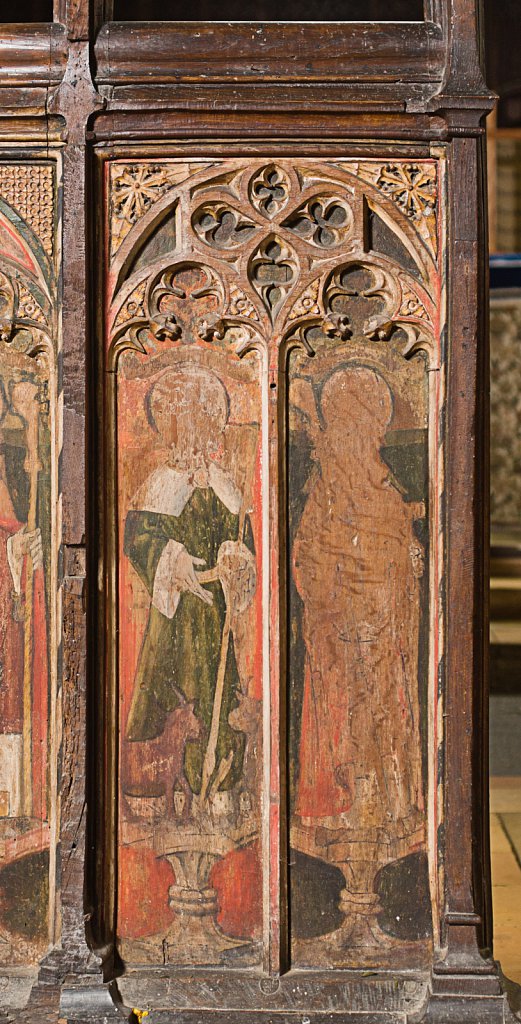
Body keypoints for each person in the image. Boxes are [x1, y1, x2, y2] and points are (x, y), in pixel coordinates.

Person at [292, 365, 425, 844]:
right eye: (339, 428)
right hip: (335, 630)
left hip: (378, 633)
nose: (340, 441)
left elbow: (401, 563)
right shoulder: (324, 491)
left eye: (353, 429)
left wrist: (398, 579)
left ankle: (382, 800)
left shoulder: (387, 497)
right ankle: (342, 798)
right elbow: (306, 556)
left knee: (378, 707)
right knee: (341, 710)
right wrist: (328, 597)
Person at [124, 365, 256, 799]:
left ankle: (216, 780)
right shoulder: (158, 485)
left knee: (217, 689)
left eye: (204, 419)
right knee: (171, 688)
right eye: (186, 420)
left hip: (214, 613)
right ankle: (163, 783)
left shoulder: (225, 487)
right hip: (174, 618)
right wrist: (172, 559)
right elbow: (138, 539)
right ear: (170, 426)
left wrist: (237, 562)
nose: (195, 431)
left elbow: (243, 544)